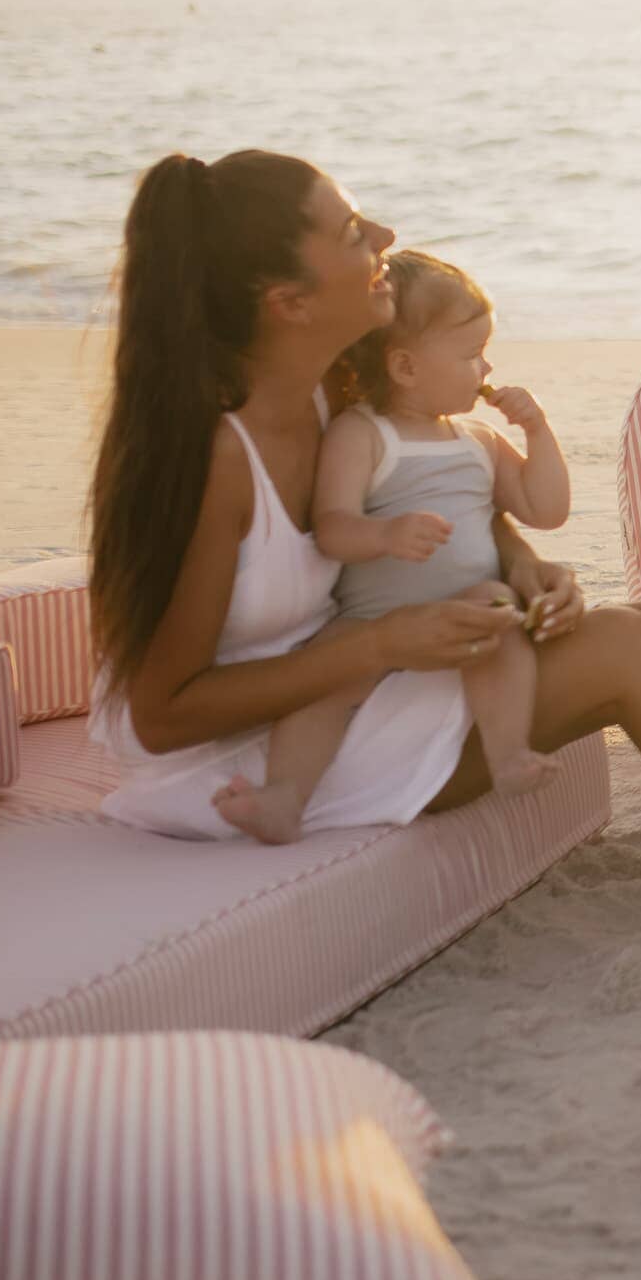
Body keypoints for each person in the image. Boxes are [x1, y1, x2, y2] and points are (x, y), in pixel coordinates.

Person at [87, 149, 641, 849]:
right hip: (262, 758)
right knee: (622, 649)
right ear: (291, 303)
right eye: (350, 233)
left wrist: (526, 566)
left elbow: (466, 515)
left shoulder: (333, 398)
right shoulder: (214, 460)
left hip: (365, 687)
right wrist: (383, 647)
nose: (383, 238)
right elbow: (162, 717)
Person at [206, 249, 570, 843]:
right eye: (470, 354)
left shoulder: (479, 440)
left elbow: (545, 509)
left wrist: (537, 429)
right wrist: (385, 535)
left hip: (463, 614)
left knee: (498, 608)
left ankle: (509, 755)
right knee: (320, 686)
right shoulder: (364, 433)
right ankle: (284, 798)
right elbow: (332, 527)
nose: (485, 368)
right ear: (404, 367)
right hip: (374, 620)